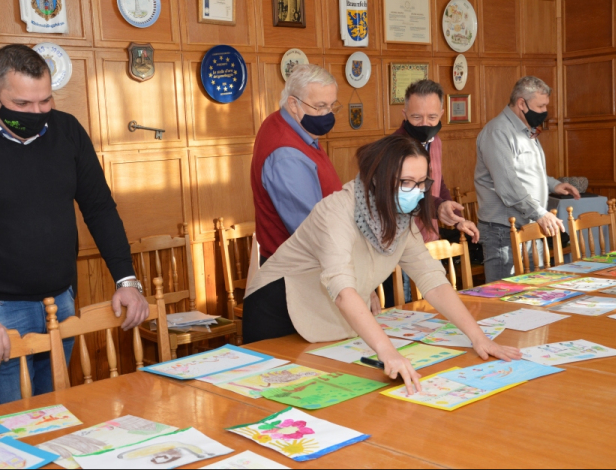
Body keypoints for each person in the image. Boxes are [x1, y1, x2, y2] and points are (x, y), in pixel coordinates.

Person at [0, 45, 148, 407]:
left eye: (45, 101)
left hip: (60, 301)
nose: (36, 113)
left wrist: (126, 279)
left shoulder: (66, 129)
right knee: (15, 427)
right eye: (22, 105)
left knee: (56, 415)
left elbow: (99, 208)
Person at [244, 135, 521, 393]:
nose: (416, 191)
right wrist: (388, 352)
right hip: (276, 307)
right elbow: (341, 288)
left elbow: (432, 279)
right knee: (276, 396)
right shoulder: (336, 210)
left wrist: (478, 337)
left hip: (320, 316)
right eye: (406, 182)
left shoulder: (401, 217)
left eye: (422, 182)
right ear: (379, 178)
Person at [250, 64, 381, 314]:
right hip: (295, 282)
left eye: (332, 106)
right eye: (320, 106)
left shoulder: (289, 126)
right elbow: (317, 231)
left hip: (309, 274)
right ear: (293, 104)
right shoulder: (287, 155)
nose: (327, 114)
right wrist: (360, 284)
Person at [475, 76, 580, 283]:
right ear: (522, 103)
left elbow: (530, 171)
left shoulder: (525, 130)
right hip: (503, 231)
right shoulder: (498, 132)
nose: (544, 112)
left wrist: (554, 185)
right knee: (504, 296)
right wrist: (541, 213)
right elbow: (508, 185)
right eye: (540, 106)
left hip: (530, 224)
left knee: (534, 290)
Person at [395, 79, 479, 243]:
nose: (425, 124)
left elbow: (438, 185)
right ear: (405, 114)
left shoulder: (435, 141)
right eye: (417, 117)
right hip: (405, 243)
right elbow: (404, 195)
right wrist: (439, 207)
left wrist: (458, 220)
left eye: (432, 117)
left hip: (431, 237)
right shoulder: (396, 148)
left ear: (441, 114)